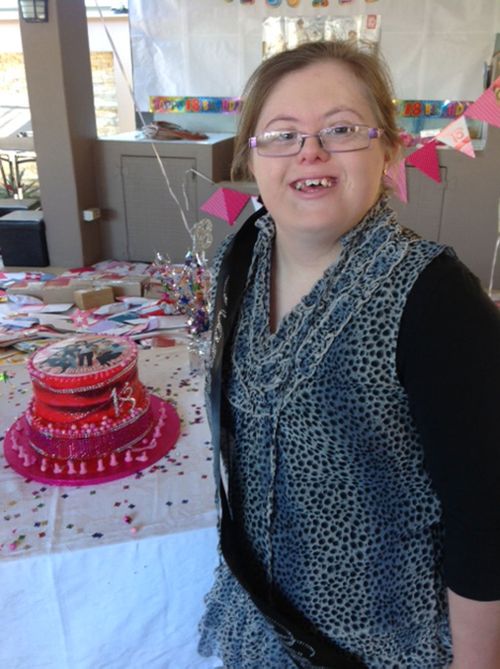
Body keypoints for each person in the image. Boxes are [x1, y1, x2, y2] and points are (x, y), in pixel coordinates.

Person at [198, 40, 500, 669]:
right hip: (256, 623)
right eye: (282, 135)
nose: (310, 151)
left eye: (340, 129)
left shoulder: (435, 299)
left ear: (389, 149)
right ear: (253, 159)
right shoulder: (242, 258)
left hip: (383, 648)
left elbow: (487, 516)